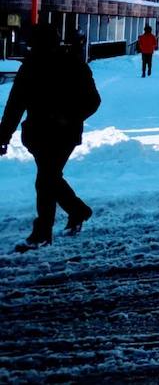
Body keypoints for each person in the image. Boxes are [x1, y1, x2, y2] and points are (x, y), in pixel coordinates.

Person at [0, 25, 101, 251]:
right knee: (50, 178)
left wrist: (67, 117)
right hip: (43, 133)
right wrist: (3, 134)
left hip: (60, 133)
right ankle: (77, 211)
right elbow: (15, 105)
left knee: (46, 180)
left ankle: (43, 231)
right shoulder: (49, 65)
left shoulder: (69, 65)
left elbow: (93, 101)